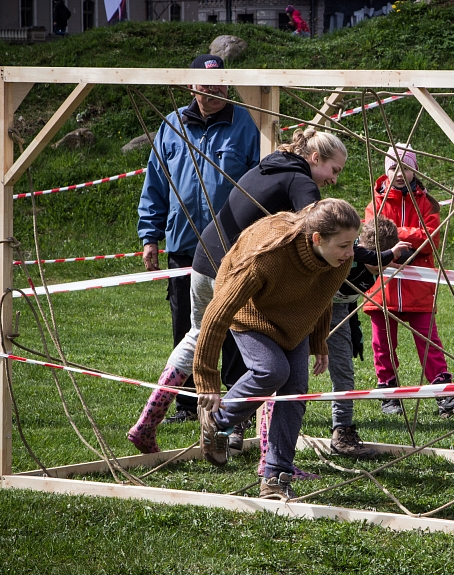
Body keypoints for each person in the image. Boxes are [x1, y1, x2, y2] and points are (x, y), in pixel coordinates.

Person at [128, 128, 347, 454]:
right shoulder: (301, 182)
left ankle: (148, 421)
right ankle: (260, 454)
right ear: (315, 158)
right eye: (334, 170)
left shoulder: (269, 165)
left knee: (197, 335)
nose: (333, 179)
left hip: (204, 259)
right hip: (236, 269)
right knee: (273, 354)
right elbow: (318, 233)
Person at [194, 199, 361, 501]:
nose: (351, 253)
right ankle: (216, 422)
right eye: (344, 245)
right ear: (317, 239)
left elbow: (321, 295)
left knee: (296, 391)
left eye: (353, 244)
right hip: (248, 311)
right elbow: (217, 313)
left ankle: (276, 476)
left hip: (292, 320)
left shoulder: (339, 259)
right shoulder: (269, 255)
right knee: (272, 371)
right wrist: (206, 379)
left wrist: (319, 339)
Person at [137, 54, 260, 426]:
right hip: (183, 244)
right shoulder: (172, 125)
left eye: (220, 82)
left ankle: (235, 404)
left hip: (234, 246)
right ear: (190, 85)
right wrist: (150, 237)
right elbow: (155, 183)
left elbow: (260, 182)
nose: (213, 88)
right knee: (187, 326)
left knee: (238, 324)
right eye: (205, 83)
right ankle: (187, 405)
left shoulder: (246, 124)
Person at [363, 145, 454, 418]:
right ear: (385, 171)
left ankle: (443, 394)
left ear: (415, 169)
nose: (400, 173)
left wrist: (395, 235)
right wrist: (407, 238)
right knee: (382, 344)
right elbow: (373, 238)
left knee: (429, 343)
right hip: (382, 291)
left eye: (406, 167)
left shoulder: (427, 203)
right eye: (393, 167)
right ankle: (388, 392)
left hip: (419, 289)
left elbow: (430, 238)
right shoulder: (374, 204)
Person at [328, 218, 411, 458]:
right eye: (376, 263)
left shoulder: (381, 261)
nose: (380, 268)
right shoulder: (348, 254)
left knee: (344, 372)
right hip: (309, 309)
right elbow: (355, 251)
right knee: (295, 374)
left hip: (340, 314)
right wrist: (382, 255)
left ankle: (341, 431)